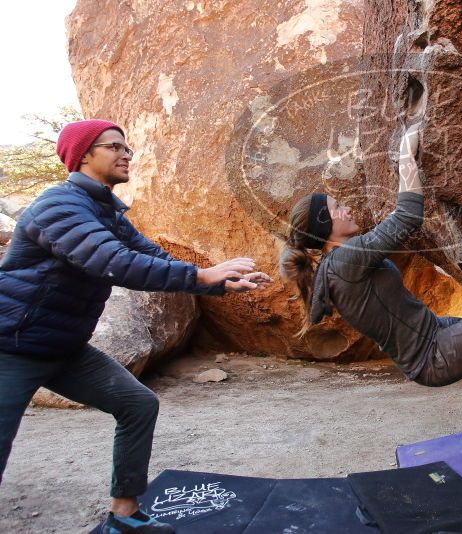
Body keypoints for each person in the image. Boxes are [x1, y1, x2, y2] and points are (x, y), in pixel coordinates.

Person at [0, 119, 271, 534]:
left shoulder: (106, 212)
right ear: (84, 154)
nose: (127, 154)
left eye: (128, 148)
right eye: (115, 147)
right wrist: (202, 277)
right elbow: (113, 262)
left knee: (137, 404)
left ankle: (124, 516)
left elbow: (151, 256)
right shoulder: (58, 206)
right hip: (11, 347)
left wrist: (222, 282)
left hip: (64, 349)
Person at [279, 123, 462, 389]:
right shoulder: (345, 261)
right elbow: (407, 217)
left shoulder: (339, 263)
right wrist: (407, 154)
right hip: (433, 358)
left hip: (437, 331)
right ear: (325, 225)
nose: (346, 209)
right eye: (337, 207)